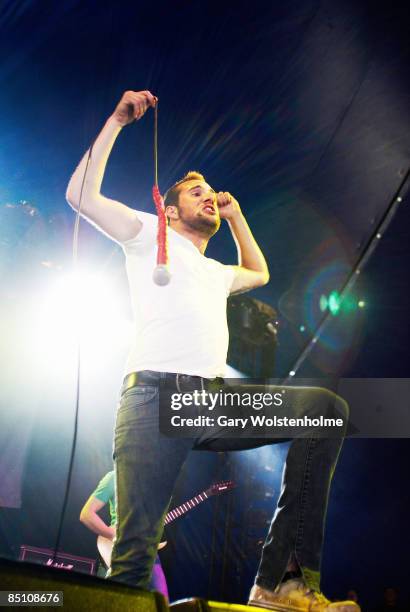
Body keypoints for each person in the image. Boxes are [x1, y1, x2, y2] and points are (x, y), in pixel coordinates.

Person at [67, 90, 359, 611]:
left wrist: (237, 216)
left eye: (211, 192)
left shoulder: (215, 271)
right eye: (196, 191)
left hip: (213, 400)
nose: (208, 196)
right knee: (135, 551)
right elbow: (81, 198)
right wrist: (115, 121)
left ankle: (280, 581)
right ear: (171, 207)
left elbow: (261, 272)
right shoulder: (147, 232)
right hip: (155, 400)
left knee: (325, 409)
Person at [79, 470, 168, 598]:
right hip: (123, 549)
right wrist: (112, 534)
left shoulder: (155, 483)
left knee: (160, 602)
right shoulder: (115, 477)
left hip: (149, 550)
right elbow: (86, 514)